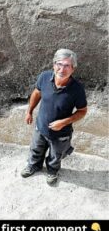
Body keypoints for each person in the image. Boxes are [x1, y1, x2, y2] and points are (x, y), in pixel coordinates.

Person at [21, 48, 88, 185]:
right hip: (41, 127)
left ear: (73, 69)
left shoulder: (77, 89)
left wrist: (64, 122)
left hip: (61, 133)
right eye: (59, 64)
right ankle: (34, 165)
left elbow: (82, 111)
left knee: (55, 155)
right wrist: (29, 111)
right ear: (53, 65)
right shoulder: (44, 77)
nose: (62, 69)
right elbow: (36, 93)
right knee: (35, 149)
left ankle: (52, 171)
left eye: (67, 66)